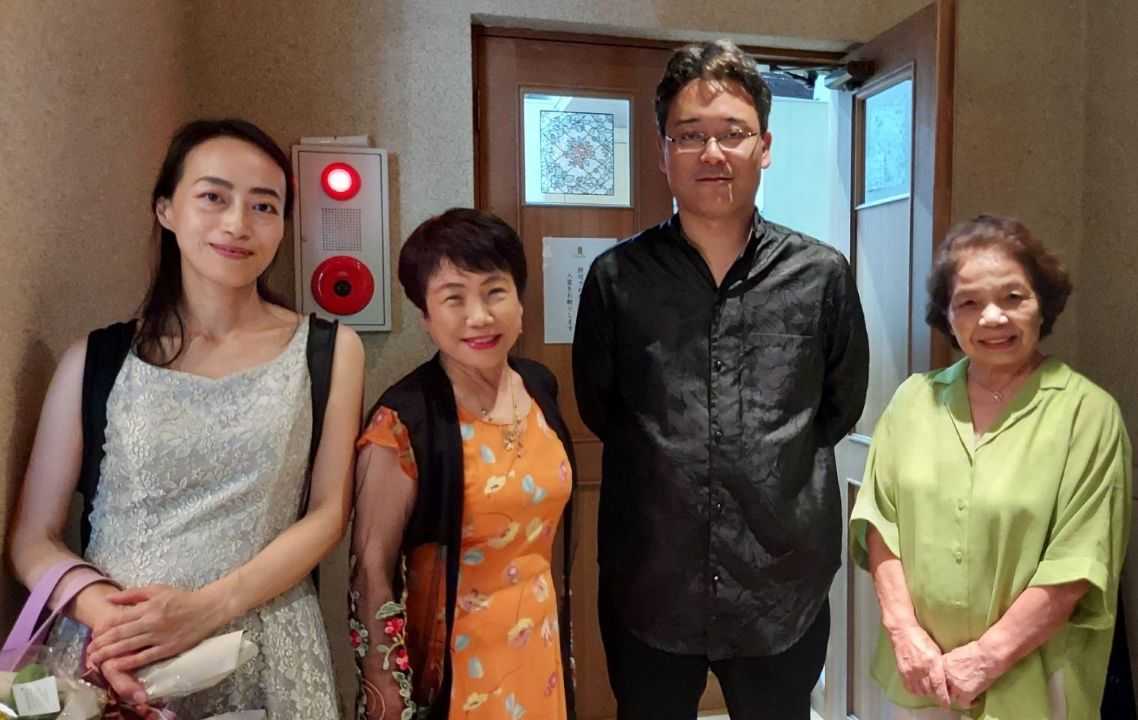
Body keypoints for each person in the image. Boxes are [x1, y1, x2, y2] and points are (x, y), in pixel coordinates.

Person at [8, 119, 364, 718]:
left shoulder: (329, 351)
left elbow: (329, 513)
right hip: (113, 658)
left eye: (264, 206)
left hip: (264, 650)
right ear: (166, 209)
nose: (238, 223)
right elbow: (31, 537)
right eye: (213, 197)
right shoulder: (95, 359)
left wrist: (208, 608)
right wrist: (107, 615)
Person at [572, 40, 869, 719]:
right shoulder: (616, 279)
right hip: (650, 579)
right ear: (662, 152)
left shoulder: (821, 276)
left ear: (764, 146)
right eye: (690, 135)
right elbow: (601, 407)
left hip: (780, 583)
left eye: (732, 133)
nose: (712, 152)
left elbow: (839, 407)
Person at [850, 215, 1132, 719]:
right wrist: (904, 633)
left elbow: (1078, 562)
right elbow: (879, 522)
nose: (993, 318)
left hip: (1035, 684)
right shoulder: (913, 401)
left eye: (1013, 297)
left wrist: (983, 660)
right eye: (969, 303)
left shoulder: (1088, 415)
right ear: (947, 315)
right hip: (921, 676)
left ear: (1043, 304)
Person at [349, 208, 576, 720]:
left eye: (495, 291)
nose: (479, 316)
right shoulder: (401, 422)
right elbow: (371, 571)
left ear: (520, 300)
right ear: (426, 316)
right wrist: (387, 694)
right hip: (457, 671)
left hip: (539, 649)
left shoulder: (539, 387)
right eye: (454, 298)